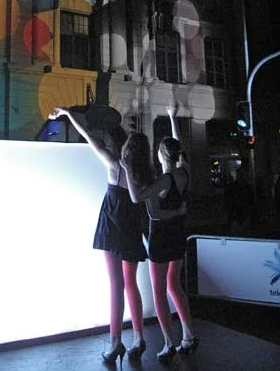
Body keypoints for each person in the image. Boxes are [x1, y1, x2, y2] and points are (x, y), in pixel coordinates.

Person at [49, 107, 147, 364]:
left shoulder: (115, 167)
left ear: (126, 150)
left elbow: (89, 137)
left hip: (112, 228)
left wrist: (69, 114)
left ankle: (115, 343)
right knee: (131, 284)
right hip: (131, 229)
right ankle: (138, 338)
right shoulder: (144, 176)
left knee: (116, 285)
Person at [120, 103, 197, 361]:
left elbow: (137, 198)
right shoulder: (185, 172)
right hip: (179, 235)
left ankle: (168, 343)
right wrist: (173, 118)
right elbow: (179, 145)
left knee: (159, 291)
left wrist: (127, 168)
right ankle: (188, 335)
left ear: (162, 156)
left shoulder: (164, 180)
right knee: (176, 285)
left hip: (161, 237)